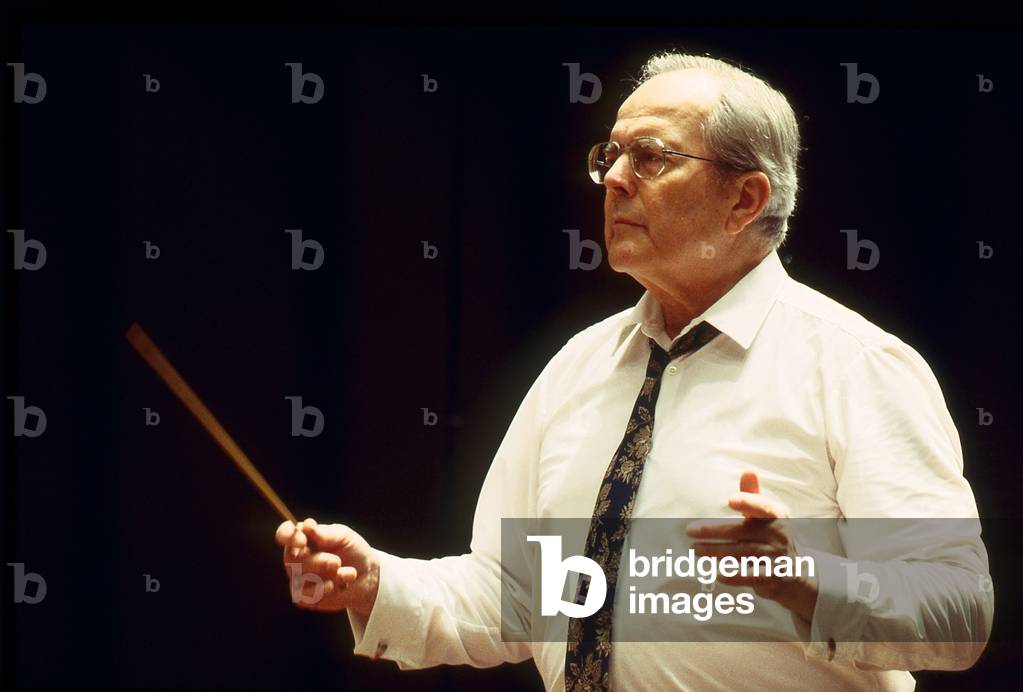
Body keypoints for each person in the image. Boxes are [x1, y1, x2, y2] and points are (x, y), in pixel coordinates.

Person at [274, 51, 993, 691]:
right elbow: (515, 595)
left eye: (649, 156)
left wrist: (810, 585)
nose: (613, 179)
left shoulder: (852, 364)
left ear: (745, 199)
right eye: (608, 155)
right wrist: (376, 583)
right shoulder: (579, 365)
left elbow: (958, 613)